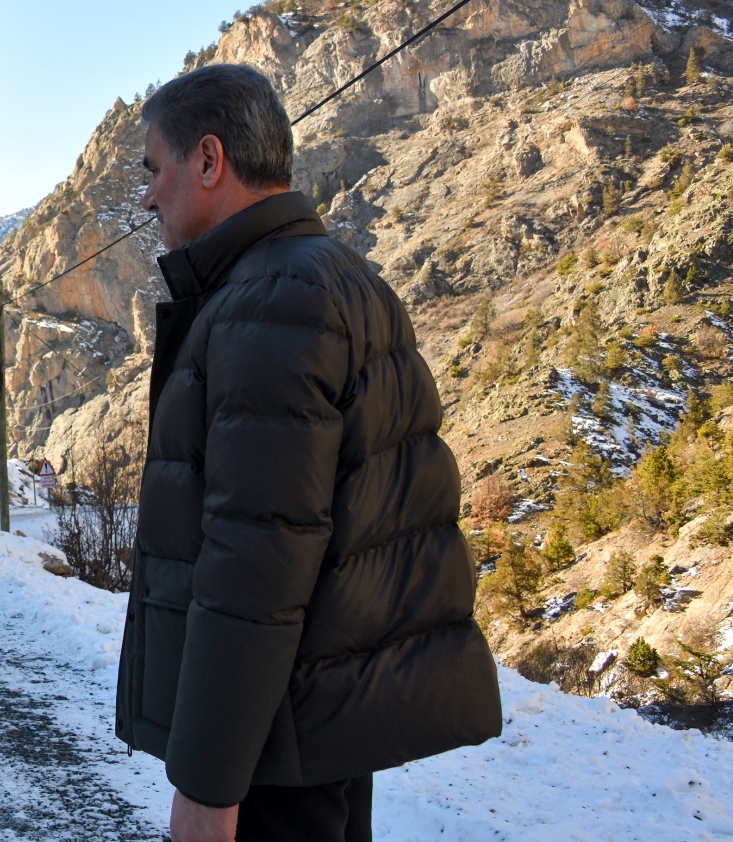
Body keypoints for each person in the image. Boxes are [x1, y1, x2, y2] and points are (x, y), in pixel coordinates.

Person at [113, 65, 501, 842]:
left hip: (272, 744)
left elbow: (257, 560)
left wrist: (208, 785)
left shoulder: (269, 303)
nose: (149, 197)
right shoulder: (343, 278)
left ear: (210, 161)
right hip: (318, 726)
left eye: (155, 170)